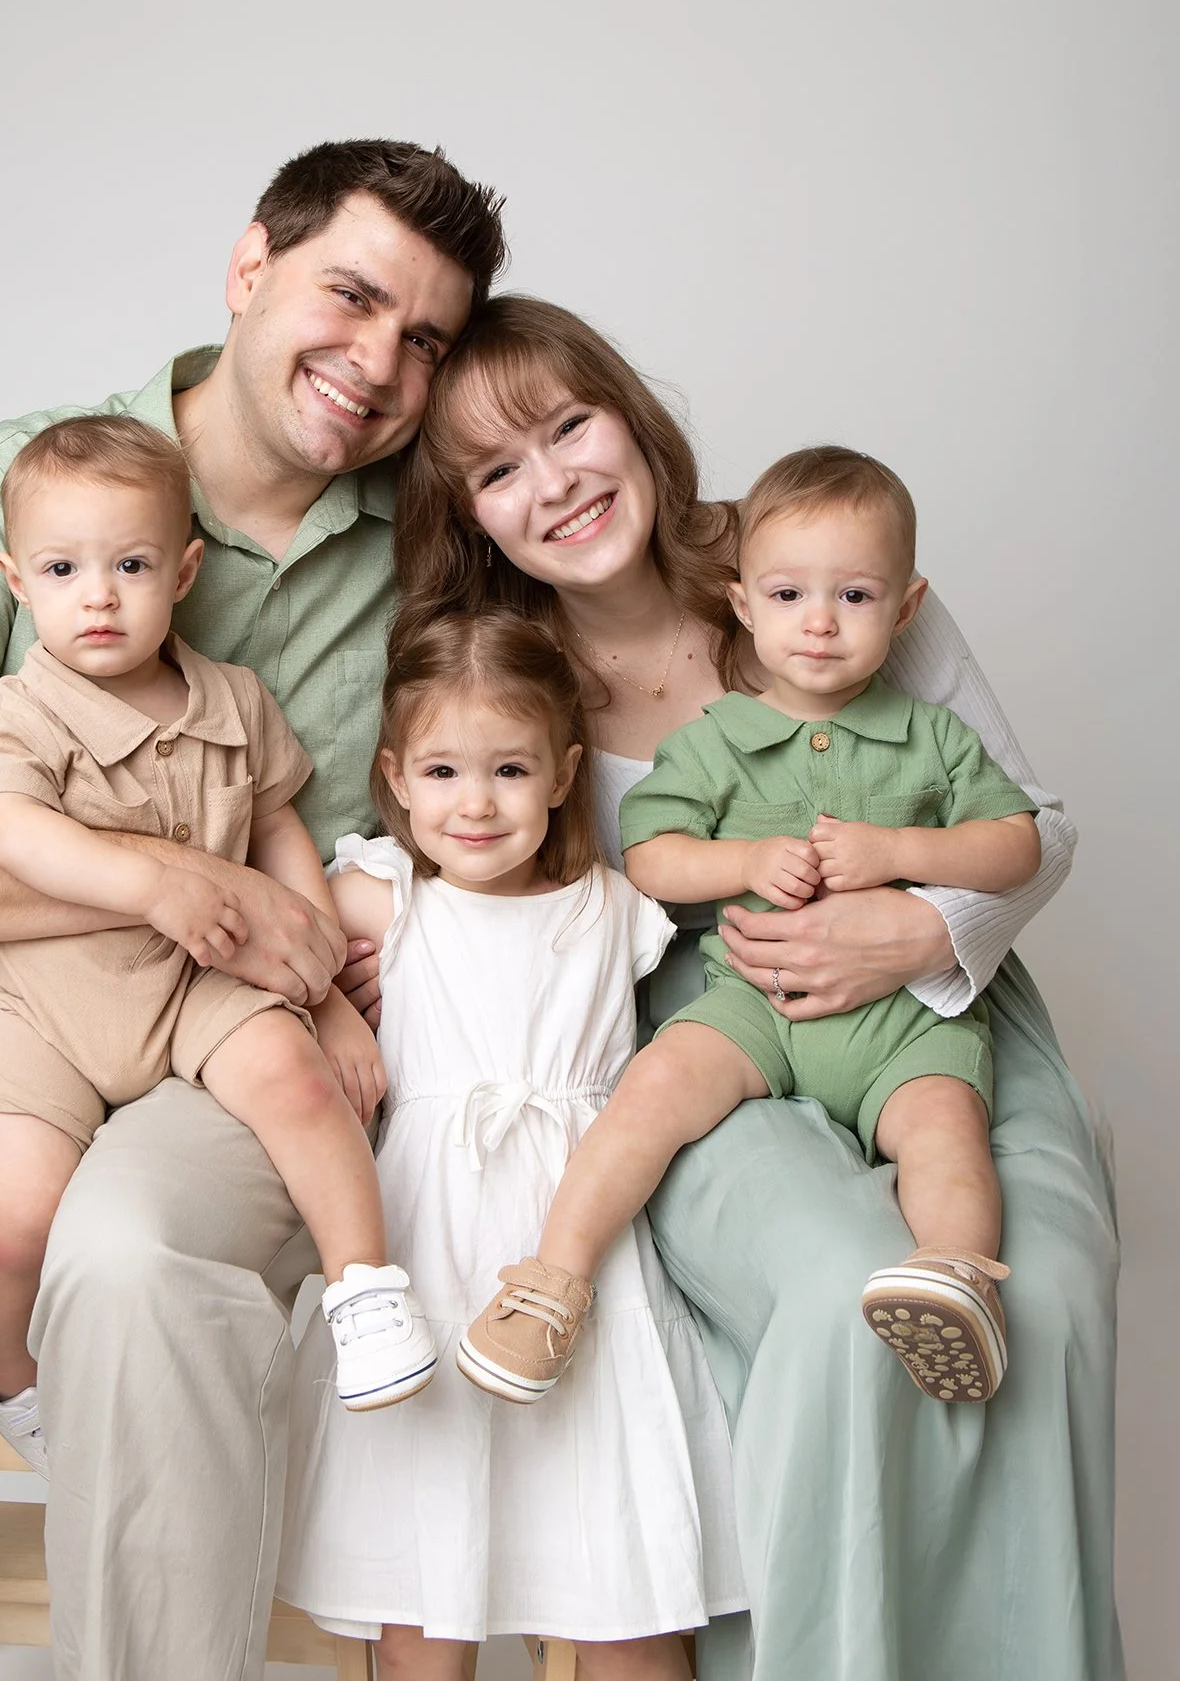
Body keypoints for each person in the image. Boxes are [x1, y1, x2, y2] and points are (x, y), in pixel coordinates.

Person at [0, 140, 506, 1681]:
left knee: (132, 1253)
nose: (379, 363)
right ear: (250, 268)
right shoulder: (32, 475)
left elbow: (549, 731)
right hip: (12, 983)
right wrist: (162, 884)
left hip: (245, 1017)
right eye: (350, 295)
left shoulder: (441, 538)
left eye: (427, 339)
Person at [393, 296, 1122, 1681]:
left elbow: (1036, 825)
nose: (554, 483)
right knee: (841, 1286)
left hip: (941, 1002)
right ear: (466, 514)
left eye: (569, 426)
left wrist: (914, 928)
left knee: (1052, 1292)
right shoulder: (505, 675)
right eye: (498, 470)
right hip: (707, 1037)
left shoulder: (819, 558)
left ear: (630, 413)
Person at [459, 446, 1039, 1410]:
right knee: (649, 1095)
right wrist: (744, 864)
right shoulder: (717, 737)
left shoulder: (934, 738)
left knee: (947, 1136)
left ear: (905, 608)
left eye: (855, 597)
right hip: (752, 1004)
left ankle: (956, 1279)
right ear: (742, 605)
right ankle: (553, 1282)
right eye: (788, 595)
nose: (819, 622)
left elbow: (1015, 845)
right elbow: (650, 853)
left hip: (902, 1022)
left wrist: (901, 854)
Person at [0, 413, 437, 1465]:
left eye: (129, 564)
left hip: (198, 983)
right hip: (52, 1007)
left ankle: (366, 1294)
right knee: (12, 1227)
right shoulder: (14, 716)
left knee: (302, 1085)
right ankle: (10, 1380)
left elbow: (274, 831)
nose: (98, 594)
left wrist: (322, 997)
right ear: (15, 581)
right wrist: (149, 884)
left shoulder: (234, 700)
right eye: (62, 568)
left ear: (182, 571)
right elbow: (10, 832)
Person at [275, 608, 746, 1681]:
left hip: (577, 1251)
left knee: (618, 1579)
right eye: (441, 770)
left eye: (509, 770)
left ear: (565, 774)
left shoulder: (615, 906)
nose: (474, 803)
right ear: (394, 777)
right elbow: (272, 930)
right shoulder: (385, 897)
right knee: (424, 1597)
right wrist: (338, 1010)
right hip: (428, 1238)